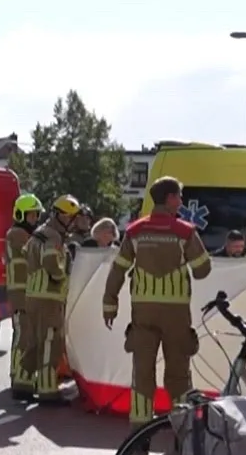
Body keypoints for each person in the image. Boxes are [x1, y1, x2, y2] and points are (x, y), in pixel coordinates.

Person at [101, 177, 212, 425]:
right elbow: (203, 269)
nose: (181, 201)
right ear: (170, 198)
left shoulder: (135, 231)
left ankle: (139, 429)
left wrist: (110, 304)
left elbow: (118, 269)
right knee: (178, 375)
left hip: (143, 314)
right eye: (179, 196)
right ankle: (182, 431)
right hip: (176, 316)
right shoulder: (185, 231)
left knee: (142, 372)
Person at [21, 195, 78, 402]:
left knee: (35, 342)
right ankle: (47, 390)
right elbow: (51, 264)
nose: (74, 222)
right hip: (48, 297)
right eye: (72, 217)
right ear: (62, 216)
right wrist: (63, 277)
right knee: (49, 343)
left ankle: (23, 382)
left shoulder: (39, 234)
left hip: (34, 295)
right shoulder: (53, 237)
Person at [5, 193, 41, 397]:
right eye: (32, 216)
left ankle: (20, 373)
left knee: (25, 334)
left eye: (36, 215)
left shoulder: (24, 233)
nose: (35, 220)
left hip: (25, 291)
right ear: (20, 215)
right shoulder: (18, 234)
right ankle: (19, 375)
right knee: (22, 334)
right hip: (20, 292)